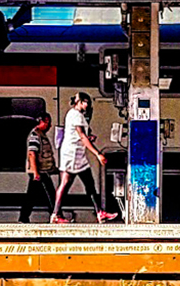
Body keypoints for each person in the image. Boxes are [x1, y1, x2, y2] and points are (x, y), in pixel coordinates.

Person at [49, 92, 120, 224]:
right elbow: (81, 136)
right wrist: (97, 154)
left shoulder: (75, 114)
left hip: (77, 154)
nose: (87, 105)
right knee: (65, 183)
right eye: (85, 102)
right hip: (72, 155)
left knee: (88, 183)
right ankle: (55, 214)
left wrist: (89, 137)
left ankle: (99, 212)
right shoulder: (76, 115)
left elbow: (81, 136)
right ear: (79, 102)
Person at [19, 112, 57, 224]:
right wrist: (36, 172)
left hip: (42, 170)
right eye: (47, 122)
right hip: (39, 171)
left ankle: (23, 217)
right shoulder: (35, 136)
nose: (49, 125)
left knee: (31, 196)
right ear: (41, 121)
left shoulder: (41, 135)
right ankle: (56, 215)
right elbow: (32, 154)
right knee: (50, 194)